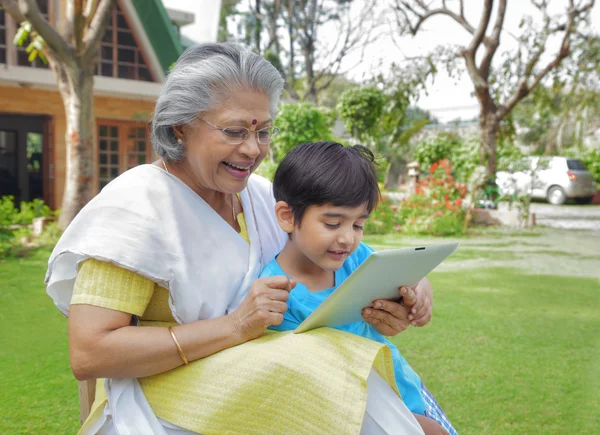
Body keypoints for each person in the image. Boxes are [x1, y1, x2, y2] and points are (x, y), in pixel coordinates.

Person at [45, 43, 435, 434]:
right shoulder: (135, 208)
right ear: (181, 126)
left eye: (263, 132)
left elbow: (341, 264)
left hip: (274, 384)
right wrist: (234, 327)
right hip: (172, 402)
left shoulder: (263, 198)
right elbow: (90, 352)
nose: (252, 149)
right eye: (234, 131)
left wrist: (401, 294)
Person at [263, 141, 457, 435]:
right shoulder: (275, 295)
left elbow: (408, 276)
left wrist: (421, 290)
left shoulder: (356, 259)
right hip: (361, 413)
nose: (347, 239)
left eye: (357, 225)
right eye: (332, 223)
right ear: (288, 216)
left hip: (405, 387)